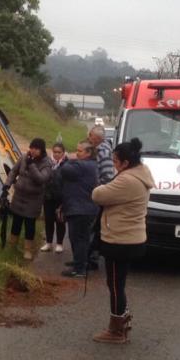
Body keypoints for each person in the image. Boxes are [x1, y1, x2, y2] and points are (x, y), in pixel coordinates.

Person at [91, 138, 154, 343]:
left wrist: (102, 184)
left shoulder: (126, 180)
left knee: (116, 285)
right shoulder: (139, 174)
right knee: (118, 283)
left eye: (116, 160)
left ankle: (117, 330)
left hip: (120, 240)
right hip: (130, 237)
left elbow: (98, 195)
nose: (113, 163)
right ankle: (123, 319)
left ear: (125, 163)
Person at [3, 138, 52, 260]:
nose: (33, 151)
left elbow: (41, 179)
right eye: (31, 148)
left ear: (42, 150)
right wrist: (7, 185)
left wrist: (31, 165)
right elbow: (14, 171)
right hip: (19, 196)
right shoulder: (24, 157)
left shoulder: (46, 163)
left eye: (36, 149)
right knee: (16, 221)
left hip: (33, 199)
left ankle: (28, 250)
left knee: (29, 224)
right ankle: (12, 245)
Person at [58, 140, 99, 278]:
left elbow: (63, 169)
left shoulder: (82, 165)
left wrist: (68, 159)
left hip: (81, 208)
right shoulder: (88, 164)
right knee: (77, 238)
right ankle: (79, 262)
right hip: (81, 206)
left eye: (80, 151)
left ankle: (79, 268)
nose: (76, 153)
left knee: (79, 238)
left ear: (88, 153)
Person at [87, 125, 115, 269]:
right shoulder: (100, 149)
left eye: (90, 135)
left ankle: (91, 260)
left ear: (97, 138)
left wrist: (98, 190)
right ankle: (90, 258)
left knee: (93, 228)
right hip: (98, 194)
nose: (88, 138)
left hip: (98, 196)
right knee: (94, 228)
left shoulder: (102, 151)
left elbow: (108, 176)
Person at [40, 143, 67, 253]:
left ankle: (59, 243)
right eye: (54, 152)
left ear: (63, 153)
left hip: (61, 199)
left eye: (59, 152)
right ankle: (49, 242)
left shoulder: (66, 165)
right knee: (49, 221)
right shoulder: (48, 163)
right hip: (48, 197)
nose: (56, 154)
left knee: (60, 221)